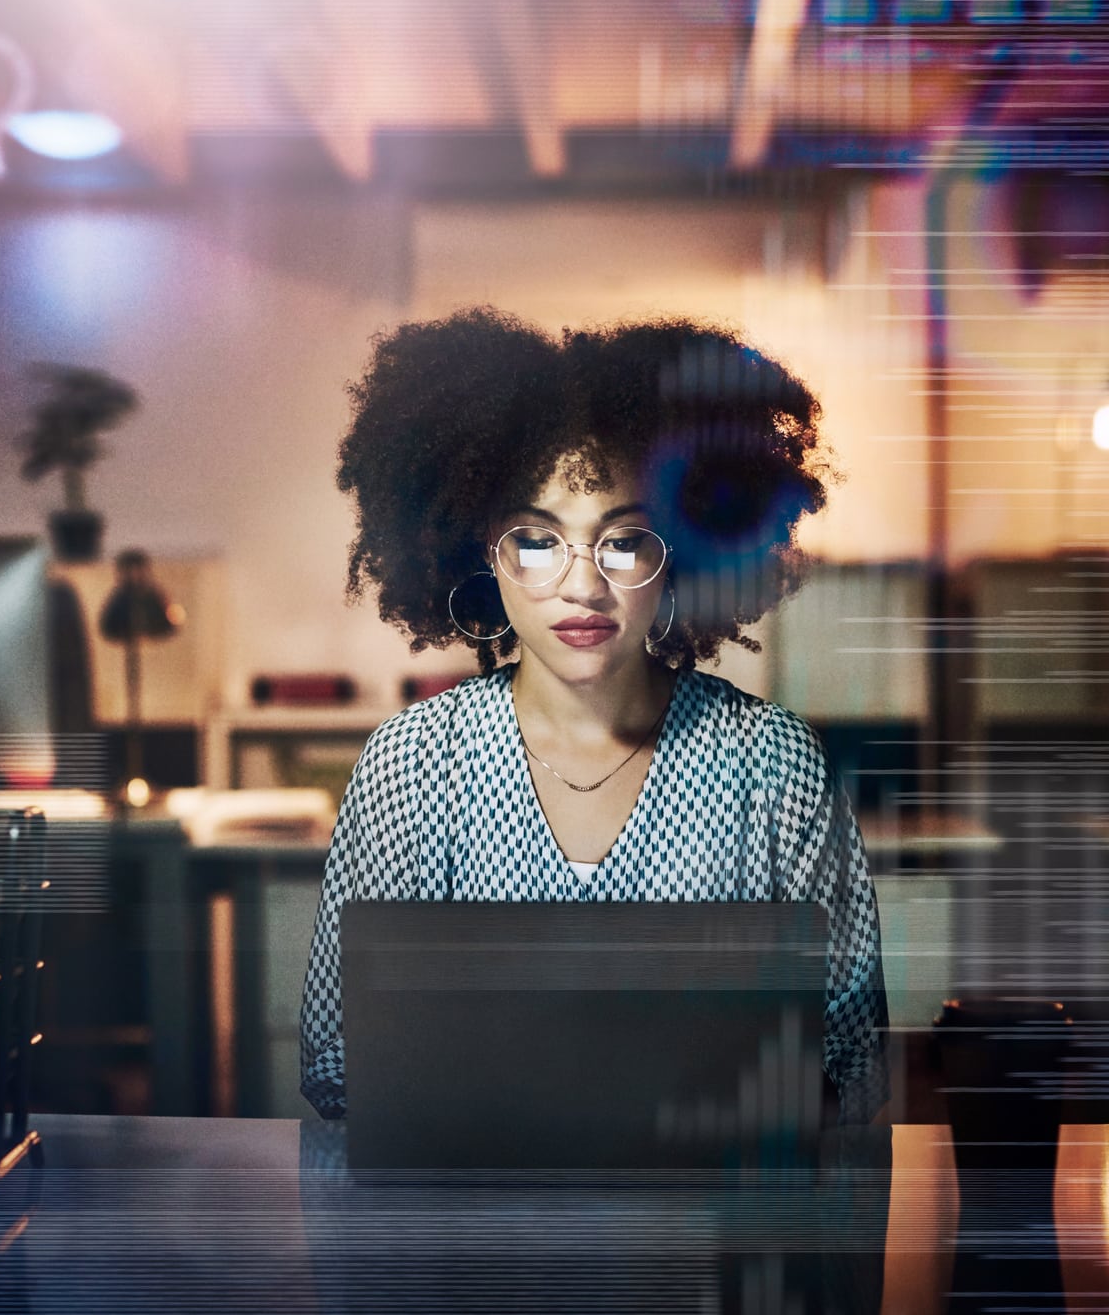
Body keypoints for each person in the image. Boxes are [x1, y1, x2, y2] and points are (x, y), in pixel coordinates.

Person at [300, 306, 889, 1125]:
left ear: (683, 550)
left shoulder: (775, 764)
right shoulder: (413, 764)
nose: (583, 585)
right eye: (537, 540)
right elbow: (337, 1060)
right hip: (468, 1243)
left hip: (715, 1245)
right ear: (482, 554)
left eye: (624, 540)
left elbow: (853, 1059)